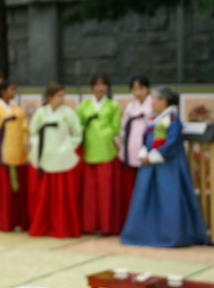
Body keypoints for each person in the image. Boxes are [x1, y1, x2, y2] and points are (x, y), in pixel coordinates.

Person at [121, 87, 208, 248]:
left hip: (168, 166)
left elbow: (173, 142)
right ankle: (143, 234)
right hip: (149, 165)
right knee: (144, 198)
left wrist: (153, 156)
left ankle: (171, 235)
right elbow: (145, 137)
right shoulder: (154, 119)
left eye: (154, 99)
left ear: (163, 101)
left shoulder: (172, 119)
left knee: (169, 198)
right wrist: (143, 152)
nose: (151, 102)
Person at [28, 83, 84, 238]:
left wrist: (68, 148)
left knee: (62, 196)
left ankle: (63, 227)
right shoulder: (40, 113)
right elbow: (32, 133)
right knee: (43, 197)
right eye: (59, 96)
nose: (62, 99)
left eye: (63, 95)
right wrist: (38, 147)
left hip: (62, 156)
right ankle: (43, 225)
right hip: (45, 155)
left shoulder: (68, 113)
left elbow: (77, 133)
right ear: (49, 97)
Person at [0, 80, 29, 231]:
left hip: (18, 153)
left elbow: (24, 129)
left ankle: (18, 220)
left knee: (17, 189)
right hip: (1, 155)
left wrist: (26, 144)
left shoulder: (18, 110)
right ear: (3, 91)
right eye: (11, 89)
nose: (14, 92)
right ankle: (1, 220)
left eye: (15, 89)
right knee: (2, 190)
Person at [77, 74, 122, 235]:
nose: (100, 88)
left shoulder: (112, 106)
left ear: (108, 87)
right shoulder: (84, 105)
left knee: (105, 191)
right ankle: (89, 225)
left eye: (103, 84)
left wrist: (102, 135)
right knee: (89, 191)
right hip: (89, 149)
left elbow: (115, 126)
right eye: (97, 84)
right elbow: (78, 124)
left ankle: (105, 226)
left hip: (105, 150)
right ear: (92, 87)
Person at [118, 75, 152, 225]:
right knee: (131, 188)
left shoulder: (153, 104)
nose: (138, 92)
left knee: (146, 186)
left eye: (141, 88)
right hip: (131, 149)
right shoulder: (130, 107)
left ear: (148, 89)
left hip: (148, 151)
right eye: (134, 89)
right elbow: (123, 129)